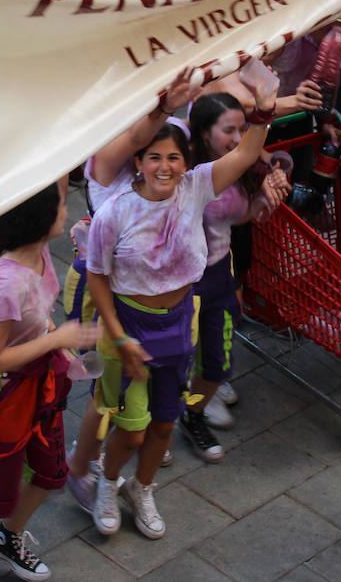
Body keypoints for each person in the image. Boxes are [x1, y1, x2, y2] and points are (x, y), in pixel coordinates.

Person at [85, 68, 278, 539]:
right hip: (129, 326)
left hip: (178, 324)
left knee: (165, 428)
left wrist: (266, 108)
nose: (165, 167)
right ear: (139, 162)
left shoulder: (196, 187)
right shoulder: (114, 211)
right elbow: (96, 275)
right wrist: (120, 335)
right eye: (154, 158)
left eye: (174, 158)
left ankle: (142, 488)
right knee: (129, 430)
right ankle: (107, 485)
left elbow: (250, 150)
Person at [0, 183, 101, 582]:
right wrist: (56, 340)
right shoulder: (7, 282)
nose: (66, 208)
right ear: (40, 221)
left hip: (41, 384)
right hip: (3, 397)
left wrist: (56, 341)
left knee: (51, 472)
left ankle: (7, 539)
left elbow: (37, 315)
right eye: (60, 204)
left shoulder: (39, 254)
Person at [179, 92, 289, 461]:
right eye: (230, 130)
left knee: (218, 364)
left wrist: (262, 199)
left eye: (244, 128)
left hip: (219, 273)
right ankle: (160, 419)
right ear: (204, 134)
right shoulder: (190, 173)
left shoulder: (243, 167)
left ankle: (192, 412)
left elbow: (236, 217)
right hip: (183, 282)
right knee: (173, 360)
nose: (240, 137)